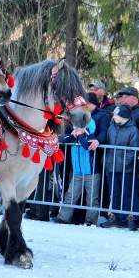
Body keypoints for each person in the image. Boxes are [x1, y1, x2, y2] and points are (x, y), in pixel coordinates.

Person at [54, 94, 106, 225]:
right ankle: (63, 217)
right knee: (70, 195)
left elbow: (87, 145)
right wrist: (74, 134)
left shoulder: (91, 122)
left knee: (92, 197)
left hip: (92, 170)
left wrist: (81, 135)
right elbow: (64, 139)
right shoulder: (74, 122)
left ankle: (90, 220)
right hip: (77, 169)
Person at [100, 105, 139, 230]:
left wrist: (124, 163)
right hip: (111, 167)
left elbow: (132, 150)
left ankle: (126, 218)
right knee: (115, 193)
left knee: (127, 194)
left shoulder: (133, 130)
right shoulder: (112, 127)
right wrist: (106, 160)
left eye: (116, 114)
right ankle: (116, 217)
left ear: (124, 116)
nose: (114, 116)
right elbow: (108, 144)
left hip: (125, 169)